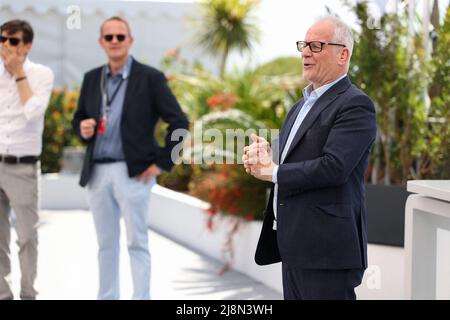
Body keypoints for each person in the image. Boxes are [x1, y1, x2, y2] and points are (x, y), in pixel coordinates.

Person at [243, 16, 377, 300]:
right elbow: (287, 156)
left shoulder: (355, 104)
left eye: (316, 45)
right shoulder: (300, 105)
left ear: (343, 54)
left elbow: (334, 167)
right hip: (293, 246)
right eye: (304, 45)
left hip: (326, 251)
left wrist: (273, 172)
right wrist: (264, 153)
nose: (305, 52)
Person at [72, 16, 188, 300]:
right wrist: (82, 128)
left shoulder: (150, 78)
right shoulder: (91, 78)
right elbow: (78, 119)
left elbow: (180, 123)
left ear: (130, 41)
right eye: (108, 37)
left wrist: (162, 162)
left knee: (137, 243)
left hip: (133, 173)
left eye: (120, 37)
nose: (114, 42)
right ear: (101, 42)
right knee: (105, 245)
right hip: (97, 173)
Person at [0, 20, 54, 300]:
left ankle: (28, 294)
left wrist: (18, 73)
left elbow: (33, 111)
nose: (6, 46)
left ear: (27, 46)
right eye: (2, 39)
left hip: (23, 167)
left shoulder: (41, 74)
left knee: (27, 238)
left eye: (13, 40)